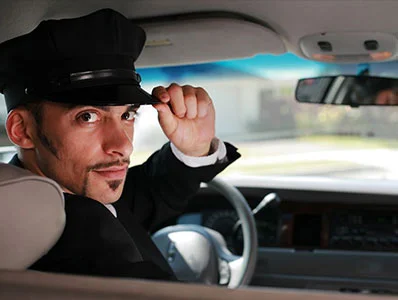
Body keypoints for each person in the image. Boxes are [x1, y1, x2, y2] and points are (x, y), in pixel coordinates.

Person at [0, 9, 240, 281]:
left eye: (127, 115)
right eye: (88, 116)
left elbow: (149, 194)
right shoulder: (83, 252)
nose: (123, 146)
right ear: (22, 130)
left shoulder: (68, 195)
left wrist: (194, 148)